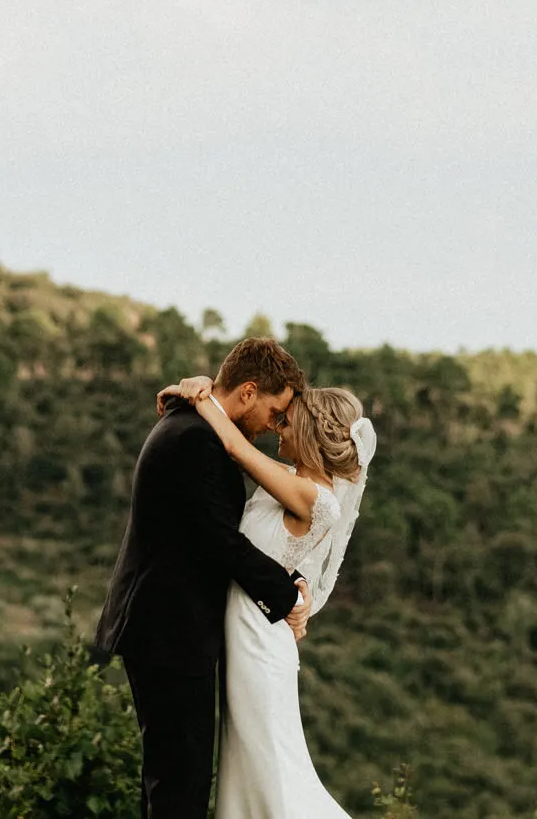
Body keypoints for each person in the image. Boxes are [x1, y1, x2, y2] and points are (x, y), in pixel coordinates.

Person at [94, 338, 312, 819]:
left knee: (171, 780)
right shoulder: (196, 439)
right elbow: (218, 540)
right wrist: (287, 593)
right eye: (274, 412)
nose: (274, 426)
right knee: (179, 786)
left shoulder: (192, 424)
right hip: (169, 631)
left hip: (166, 629)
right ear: (249, 391)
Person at [155, 373, 376, 819]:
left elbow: (236, 448)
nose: (279, 428)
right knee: (248, 770)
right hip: (244, 637)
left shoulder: (318, 498)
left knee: (272, 770)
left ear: (311, 434)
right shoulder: (289, 477)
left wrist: (200, 396)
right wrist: (210, 388)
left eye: (287, 423)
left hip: (259, 648)